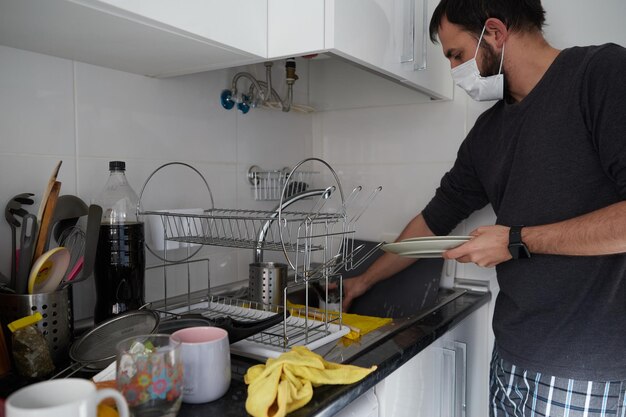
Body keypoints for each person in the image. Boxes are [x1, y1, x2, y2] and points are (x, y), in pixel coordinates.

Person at [341, 0, 626, 415]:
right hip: (509, 356)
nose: (457, 71)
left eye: (457, 55)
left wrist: (515, 240)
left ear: (494, 32)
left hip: (582, 370)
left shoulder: (602, 74)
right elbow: (433, 220)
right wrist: (364, 281)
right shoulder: (487, 132)